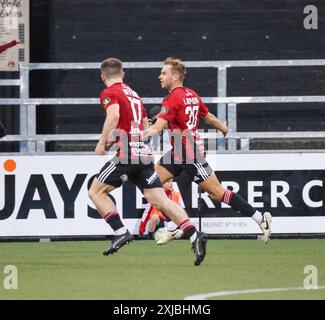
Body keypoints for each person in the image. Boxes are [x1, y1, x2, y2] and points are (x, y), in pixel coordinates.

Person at [88, 58, 207, 266]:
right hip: (143, 154)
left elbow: (114, 115)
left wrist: (101, 143)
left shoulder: (109, 93)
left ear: (102, 76)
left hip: (127, 154)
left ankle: (120, 231)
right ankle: (195, 235)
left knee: (95, 192)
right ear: (123, 73)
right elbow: (143, 124)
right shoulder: (133, 94)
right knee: (160, 200)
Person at [143, 57, 272, 244]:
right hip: (178, 153)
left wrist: (137, 135)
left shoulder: (171, 98)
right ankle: (177, 225)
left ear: (176, 76)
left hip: (190, 154)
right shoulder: (191, 94)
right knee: (151, 185)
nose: (159, 76)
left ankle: (261, 218)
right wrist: (224, 128)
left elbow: (157, 128)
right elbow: (208, 116)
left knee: (217, 193)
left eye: (164, 73)